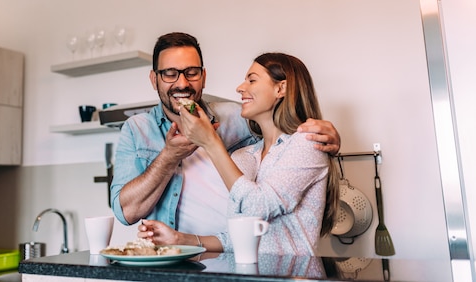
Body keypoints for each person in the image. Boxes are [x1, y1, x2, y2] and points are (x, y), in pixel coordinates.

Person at [110, 32, 340, 239]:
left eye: (191, 73)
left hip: (235, 260)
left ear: (204, 76)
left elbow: (282, 145)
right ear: (154, 79)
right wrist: (170, 156)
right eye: (170, 74)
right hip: (174, 260)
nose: (182, 83)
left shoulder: (238, 117)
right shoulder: (136, 129)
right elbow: (126, 213)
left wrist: (326, 137)